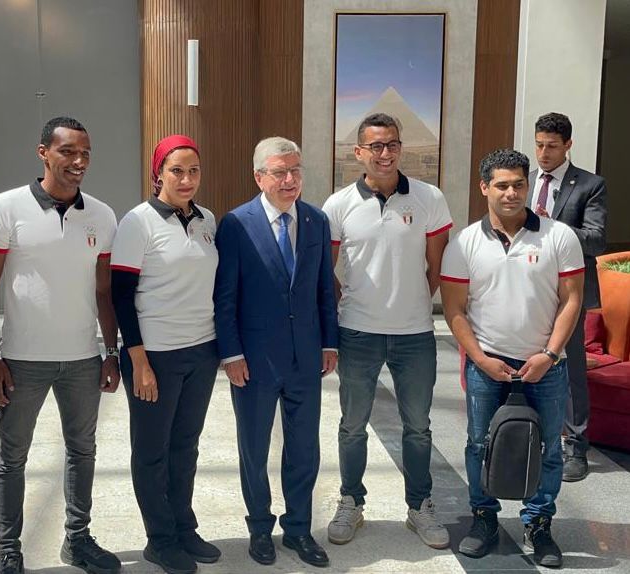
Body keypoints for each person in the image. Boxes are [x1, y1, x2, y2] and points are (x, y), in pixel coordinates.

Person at [0, 117, 121, 574]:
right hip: (21, 360)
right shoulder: (6, 208)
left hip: (83, 358)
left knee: (82, 451)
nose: (78, 161)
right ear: (43, 152)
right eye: (68, 151)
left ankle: (77, 540)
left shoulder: (102, 215)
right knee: (12, 457)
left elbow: (104, 291)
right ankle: (9, 550)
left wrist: (110, 353)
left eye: (85, 153)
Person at [441, 149, 584, 568]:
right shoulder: (464, 243)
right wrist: (480, 359)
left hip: (546, 365)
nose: (511, 193)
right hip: (487, 365)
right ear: (484, 188)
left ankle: (538, 523)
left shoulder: (559, 237)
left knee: (550, 448)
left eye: (519, 184)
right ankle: (484, 518)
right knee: (478, 444)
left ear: (528, 186)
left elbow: (571, 300)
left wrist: (549, 354)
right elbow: (454, 309)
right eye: (501, 185)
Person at [321, 113, 452, 548]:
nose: (385, 153)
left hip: (415, 336)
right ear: (359, 152)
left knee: (418, 427)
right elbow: (326, 271)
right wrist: (351, 302)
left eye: (392, 144)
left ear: (400, 148)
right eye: (375, 146)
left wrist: (413, 301)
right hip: (357, 333)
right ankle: (351, 502)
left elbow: (436, 265)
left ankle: (420, 507)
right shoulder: (338, 205)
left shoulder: (429, 198)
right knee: (352, 426)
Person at [214, 137, 339, 568]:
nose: (290, 180)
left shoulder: (316, 220)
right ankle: (259, 528)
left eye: (296, 170)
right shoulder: (236, 224)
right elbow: (225, 296)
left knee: (304, 448)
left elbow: (325, 288)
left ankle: (299, 529)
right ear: (259, 177)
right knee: (254, 447)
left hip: (306, 357)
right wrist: (231, 354)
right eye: (280, 172)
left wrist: (329, 342)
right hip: (254, 361)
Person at [110, 135, 220, 574]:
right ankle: (160, 539)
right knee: (152, 451)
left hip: (202, 351)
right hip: (155, 355)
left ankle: (183, 527)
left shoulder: (207, 219)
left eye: (193, 170)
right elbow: (121, 296)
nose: (186, 179)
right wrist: (138, 361)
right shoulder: (137, 222)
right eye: (177, 170)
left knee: (186, 446)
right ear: (158, 173)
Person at [529, 112, 607, 482]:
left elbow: (596, 240)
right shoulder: (524, 181)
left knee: (571, 367)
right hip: (527, 288)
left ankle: (576, 447)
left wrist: (555, 226)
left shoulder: (590, 185)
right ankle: (528, 437)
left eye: (552, 146)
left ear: (568, 145)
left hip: (569, 291)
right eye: (539, 145)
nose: (544, 153)